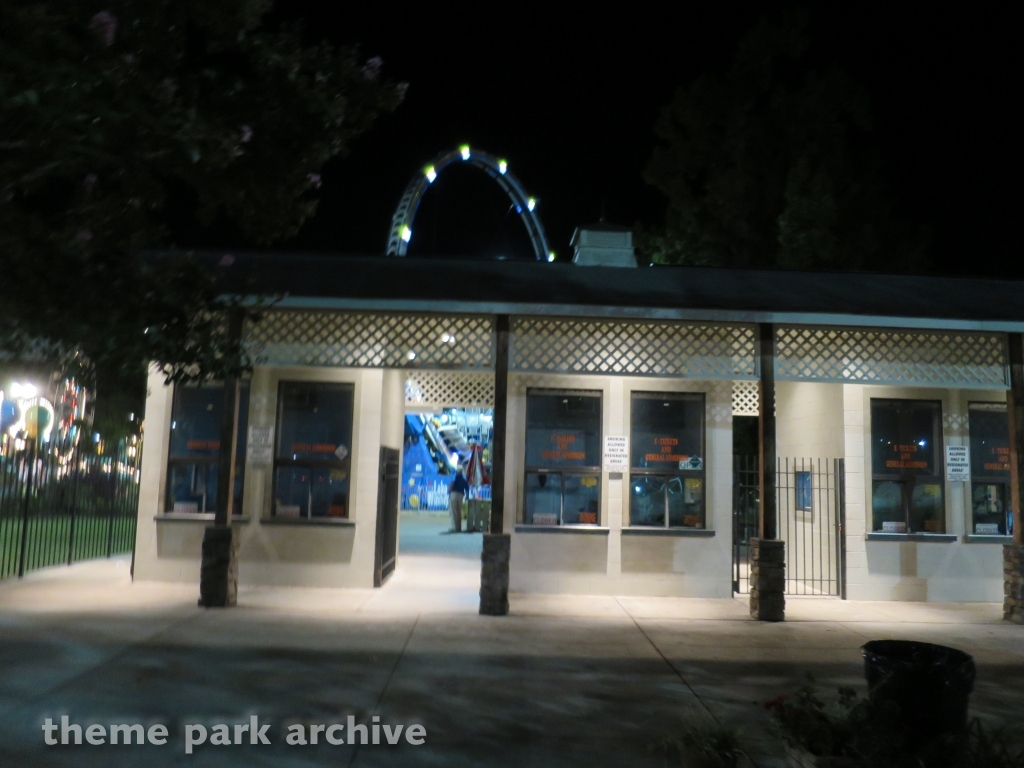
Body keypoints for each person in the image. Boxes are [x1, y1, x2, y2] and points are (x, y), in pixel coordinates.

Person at [448, 465, 470, 533]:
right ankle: (459, 527)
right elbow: (467, 488)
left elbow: (451, 484)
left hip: (454, 494)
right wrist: (467, 496)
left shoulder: (454, 477)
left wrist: (449, 491)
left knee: (453, 511)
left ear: (457, 471)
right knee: (458, 512)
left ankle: (454, 528)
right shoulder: (464, 480)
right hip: (461, 495)